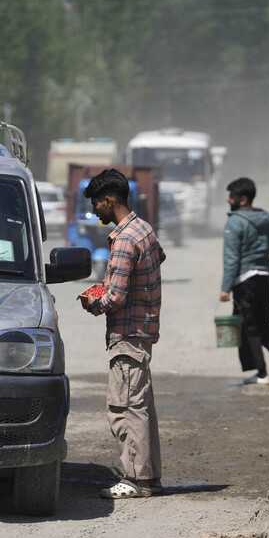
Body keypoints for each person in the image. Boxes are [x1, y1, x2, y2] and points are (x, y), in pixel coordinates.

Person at [80, 168, 166, 499]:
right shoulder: (144, 229)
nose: (95, 211)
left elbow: (114, 298)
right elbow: (157, 258)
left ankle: (135, 480)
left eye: (96, 205)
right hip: (143, 332)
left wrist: (93, 302)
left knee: (125, 408)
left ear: (109, 200)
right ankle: (149, 478)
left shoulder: (124, 238)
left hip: (127, 335)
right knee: (141, 407)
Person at [220, 177, 269, 385]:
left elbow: (232, 259)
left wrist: (226, 288)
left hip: (245, 281)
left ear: (243, 199)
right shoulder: (266, 218)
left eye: (232, 196)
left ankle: (262, 374)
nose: (228, 199)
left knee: (249, 327)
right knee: (265, 323)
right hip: (265, 278)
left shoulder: (234, 222)